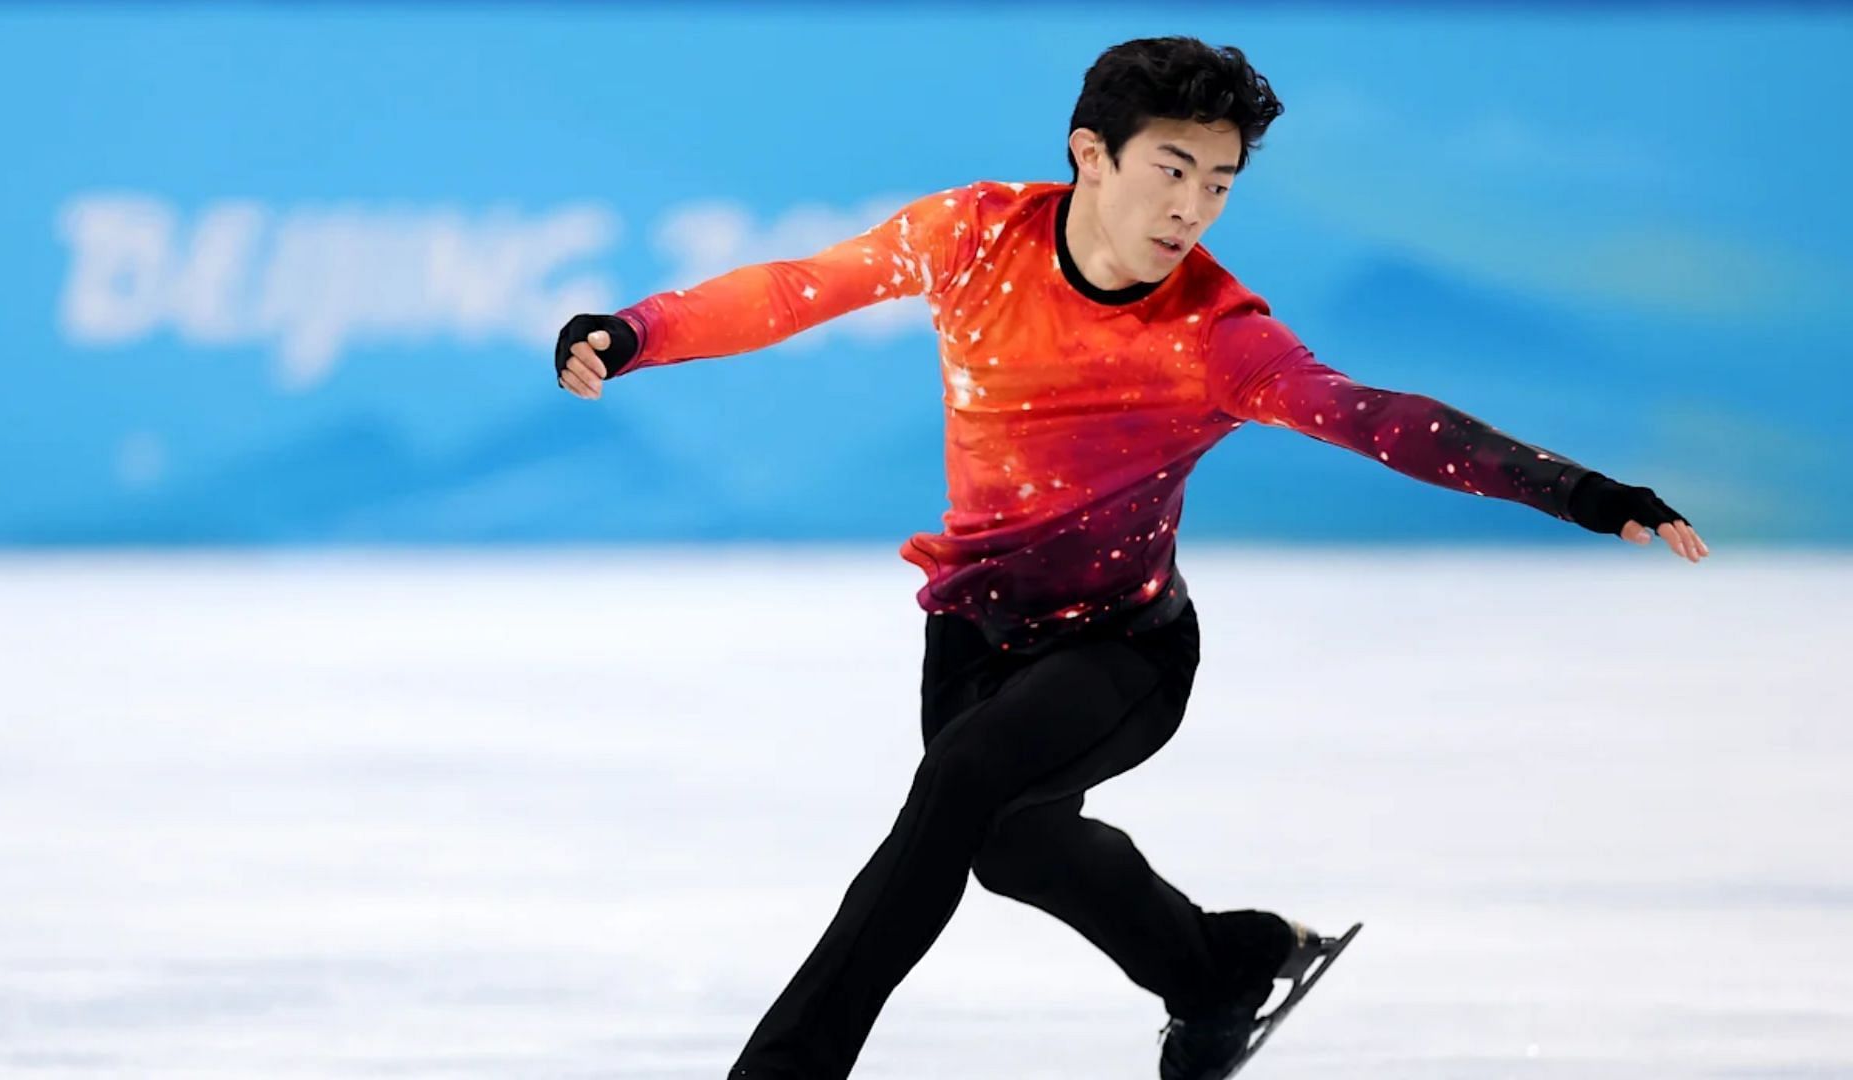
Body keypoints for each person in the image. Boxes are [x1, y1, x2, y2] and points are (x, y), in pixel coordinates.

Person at [553, 35, 1710, 1080]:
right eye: (1173, 169)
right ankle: (1223, 968)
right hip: (972, 628)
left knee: (955, 791)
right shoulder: (974, 237)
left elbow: (1376, 416)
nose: (1194, 207)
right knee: (1006, 847)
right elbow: (800, 289)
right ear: (1090, 155)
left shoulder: (1220, 337)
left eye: (1219, 183)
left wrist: (1578, 490)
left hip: (1125, 652)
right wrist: (637, 332)